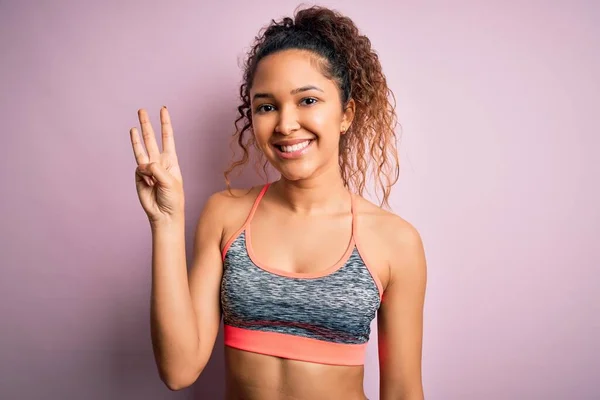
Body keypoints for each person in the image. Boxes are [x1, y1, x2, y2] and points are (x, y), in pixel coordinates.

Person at [129, 6, 427, 400]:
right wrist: (166, 222)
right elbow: (179, 370)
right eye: (266, 106)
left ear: (346, 114)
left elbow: (404, 391)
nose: (285, 124)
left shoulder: (395, 241)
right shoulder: (226, 214)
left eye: (307, 101)